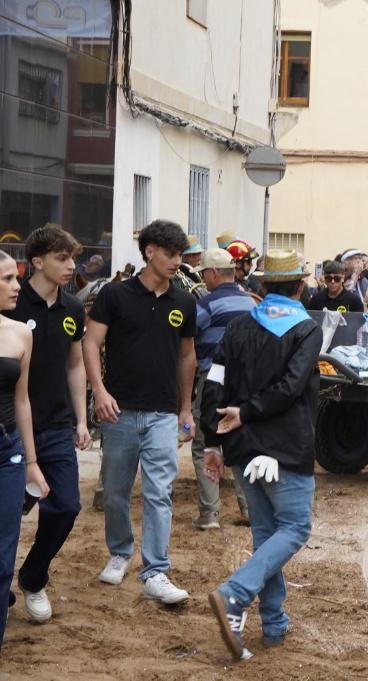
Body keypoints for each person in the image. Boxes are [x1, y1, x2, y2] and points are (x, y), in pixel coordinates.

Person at [202, 250, 322, 661]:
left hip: (239, 444)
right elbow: (291, 388)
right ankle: (235, 594)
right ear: (301, 286)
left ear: (263, 286)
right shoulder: (306, 328)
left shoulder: (236, 327)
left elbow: (213, 383)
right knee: (296, 528)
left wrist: (213, 441)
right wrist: (250, 411)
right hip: (286, 446)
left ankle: (273, 622)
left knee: (268, 536)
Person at [84, 220, 197, 604]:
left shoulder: (184, 302)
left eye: (180, 255)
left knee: (159, 492)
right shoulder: (114, 296)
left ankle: (156, 570)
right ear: (149, 251)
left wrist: (186, 409)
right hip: (119, 412)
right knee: (116, 491)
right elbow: (90, 343)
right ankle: (120, 551)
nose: (177, 262)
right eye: (170, 254)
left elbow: (188, 356)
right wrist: (98, 391)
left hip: (164, 414)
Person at [5, 226, 86, 624]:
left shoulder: (73, 308)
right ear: (37, 262)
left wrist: (82, 419)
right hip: (10, 429)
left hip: (55, 427)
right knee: (7, 514)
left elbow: (75, 364)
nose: (71, 266)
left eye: (72, 258)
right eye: (61, 258)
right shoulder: (11, 305)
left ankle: (33, 577)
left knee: (67, 506)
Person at [191, 248, 255, 530]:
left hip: (212, 377)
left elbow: (187, 336)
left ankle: (209, 514)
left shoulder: (206, 304)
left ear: (214, 273)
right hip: (245, 381)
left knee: (204, 441)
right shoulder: (251, 303)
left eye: (204, 273)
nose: (203, 279)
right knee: (240, 440)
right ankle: (251, 509)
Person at [0, 249, 45, 650]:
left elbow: (22, 401)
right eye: (7, 280)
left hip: (7, 453)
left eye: (17, 278)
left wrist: (31, 462)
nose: (17, 287)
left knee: (2, 559)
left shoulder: (20, 332)